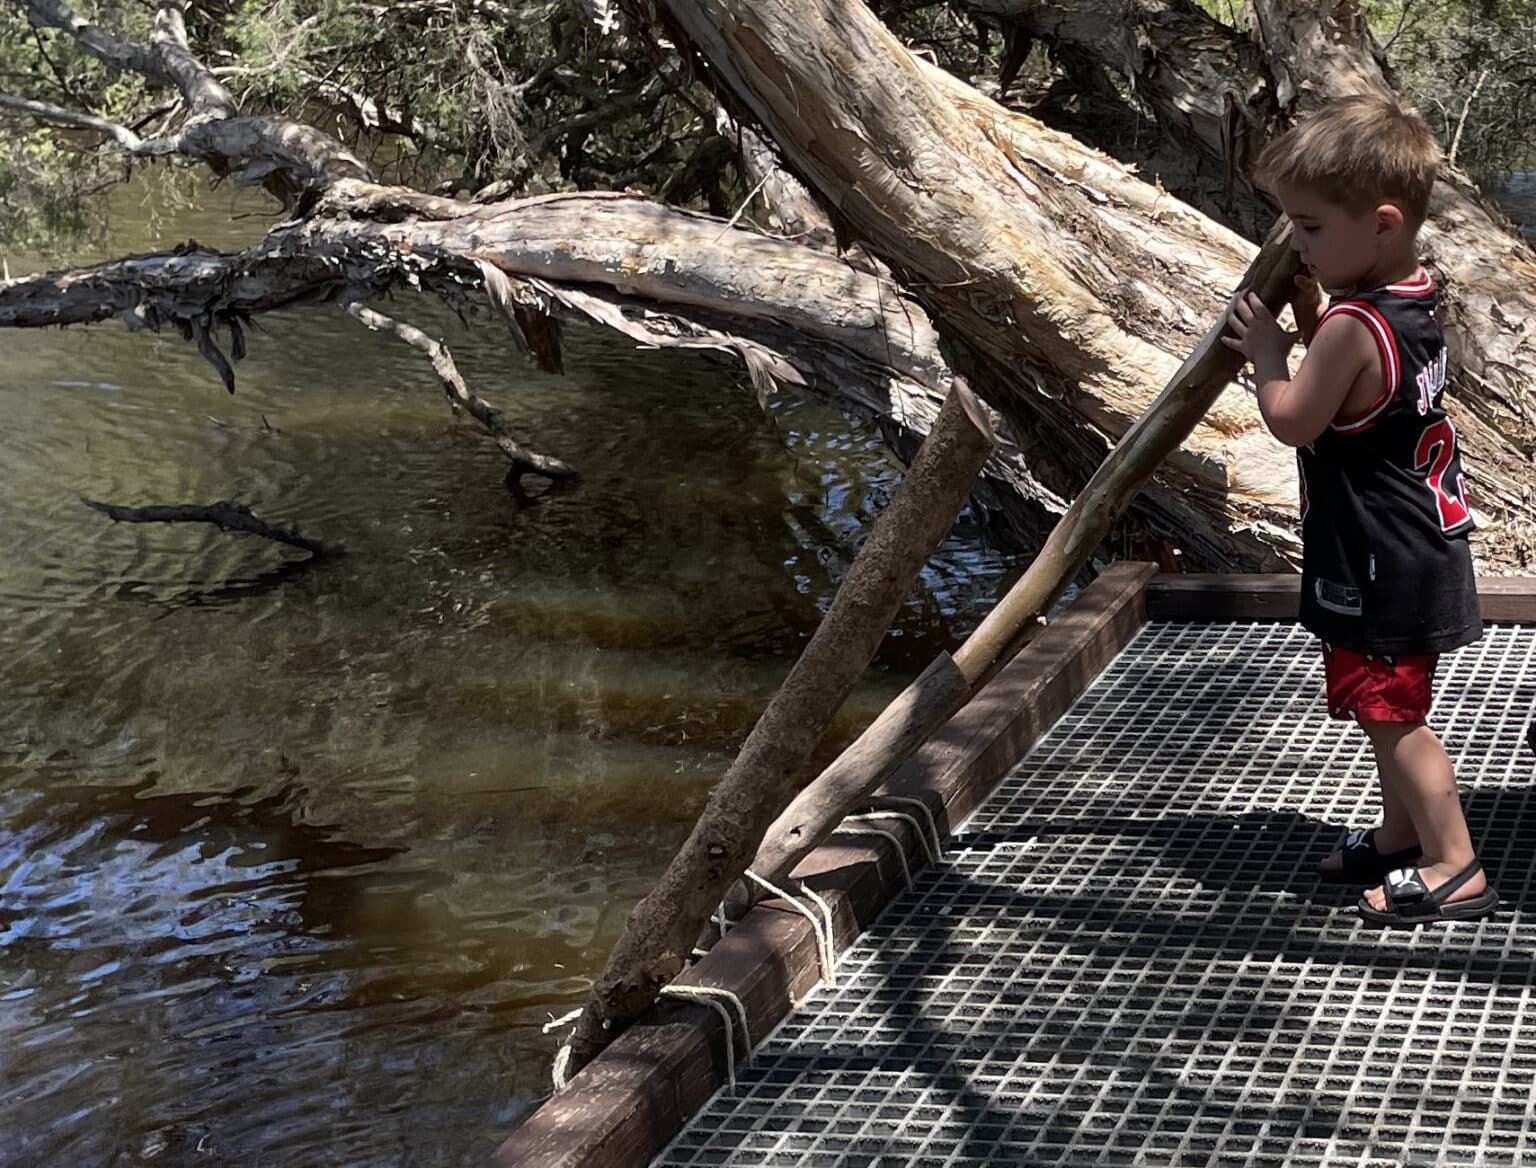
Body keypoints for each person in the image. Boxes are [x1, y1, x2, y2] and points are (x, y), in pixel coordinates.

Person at [1222, 93, 1497, 926]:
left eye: (1309, 227)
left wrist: (1269, 356)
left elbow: (1295, 419)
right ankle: (1401, 832)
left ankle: (1454, 862)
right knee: (1387, 712)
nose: (1293, 244)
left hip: (1380, 561)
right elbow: (1359, 392)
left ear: (1381, 223)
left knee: (1393, 720)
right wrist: (1313, 318)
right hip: (1417, 545)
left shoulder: (1353, 326)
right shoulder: (1411, 298)